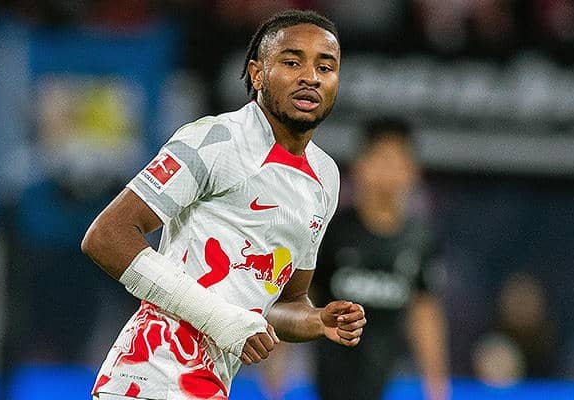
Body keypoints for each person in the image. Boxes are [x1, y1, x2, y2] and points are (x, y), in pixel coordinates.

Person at [80, 9, 367, 400]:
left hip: (209, 386)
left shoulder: (325, 178)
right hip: (150, 376)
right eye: (291, 62)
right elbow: (105, 237)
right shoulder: (215, 140)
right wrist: (220, 319)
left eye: (325, 67)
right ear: (257, 73)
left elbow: (283, 303)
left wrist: (316, 320)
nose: (310, 77)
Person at [312, 118, 450, 400]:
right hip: (327, 382)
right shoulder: (331, 232)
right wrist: (277, 374)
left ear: (413, 171)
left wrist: (436, 385)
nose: (389, 170)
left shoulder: (420, 240)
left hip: (388, 380)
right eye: (381, 158)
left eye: (398, 160)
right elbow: (300, 298)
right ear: (360, 165)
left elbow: (424, 313)